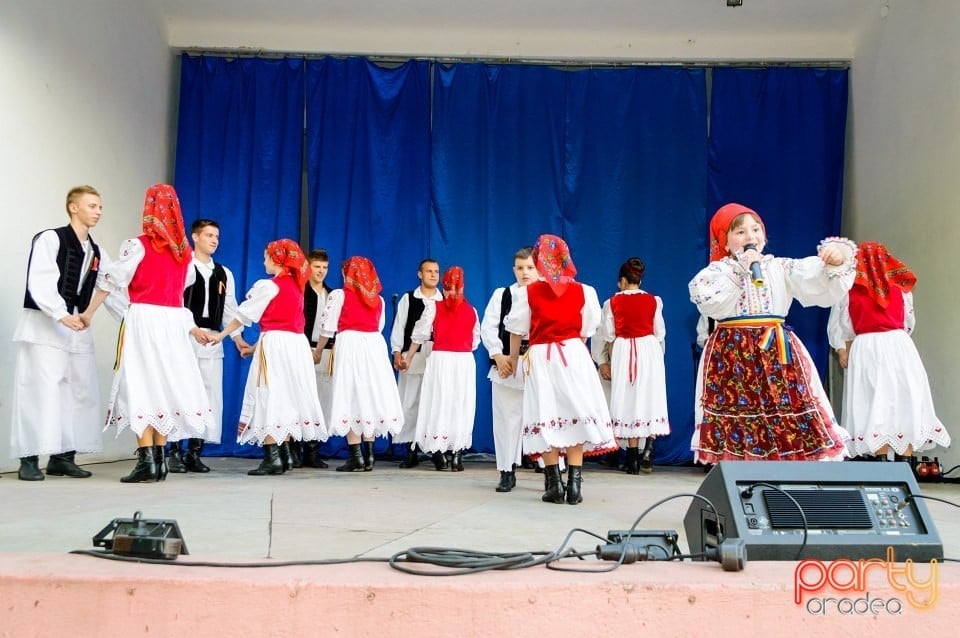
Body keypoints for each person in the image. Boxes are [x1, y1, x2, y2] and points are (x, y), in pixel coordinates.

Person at [688, 202, 856, 464]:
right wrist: (743, 267)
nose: (750, 237)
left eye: (756, 229)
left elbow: (818, 283)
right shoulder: (718, 271)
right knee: (739, 410)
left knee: (784, 407)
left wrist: (836, 261)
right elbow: (709, 300)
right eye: (740, 232)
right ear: (724, 239)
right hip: (733, 352)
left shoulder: (780, 267)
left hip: (775, 350)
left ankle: (784, 474)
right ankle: (740, 476)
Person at [84, 184, 214, 483]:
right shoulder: (184, 253)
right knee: (164, 387)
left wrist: (89, 312)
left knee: (141, 385)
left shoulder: (138, 244)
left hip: (144, 318)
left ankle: (147, 461)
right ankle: (160, 459)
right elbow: (181, 296)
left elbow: (112, 280)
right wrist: (190, 328)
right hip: (172, 323)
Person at [505, 234, 617, 505]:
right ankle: (574, 485)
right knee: (574, 412)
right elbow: (588, 329)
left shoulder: (528, 292)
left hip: (543, 356)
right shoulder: (585, 291)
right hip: (573, 354)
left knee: (548, 413)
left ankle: (555, 484)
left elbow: (517, 329)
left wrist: (513, 359)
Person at [10, 185, 113, 481]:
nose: (98, 211)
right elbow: (39, 280)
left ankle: (63, 456)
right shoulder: (50, 238)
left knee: (77, 392)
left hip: (76, 329)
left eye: (100, 207)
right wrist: (60, 313)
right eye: (92, 205)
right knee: (38, 391)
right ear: (73, 207)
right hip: (44, 325)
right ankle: (29, 458)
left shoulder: (96, 251)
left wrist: (130, 320)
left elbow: (110, 286)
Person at [827, 241, 950, 459]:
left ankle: (882, 463)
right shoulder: (900, 288)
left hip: (866, 347)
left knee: (872, 403)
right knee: (903, 400)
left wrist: (842, 349)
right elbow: (908, 323)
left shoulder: (849, 288)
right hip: (899, 347)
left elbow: (841, 325)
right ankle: (905, 465)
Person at [213, 239, 327, 475]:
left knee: (268, 393)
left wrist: (222, 334)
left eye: (266, 257)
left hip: (276, 345)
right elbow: (284, 326)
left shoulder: (269, 286)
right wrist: (254, 347)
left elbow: (245, 315)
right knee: (288, 397)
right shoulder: (298, 285)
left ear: (276, 259)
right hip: (296, 345)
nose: (263, 261)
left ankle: (272, 457)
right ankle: (283, 455)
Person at [173, 219, 250, 474]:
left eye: (216, 236)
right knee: (181, 390)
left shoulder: (223, 273)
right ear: (195, 237)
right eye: (208, 235)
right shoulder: (184, 267)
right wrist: (190, 329)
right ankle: (174, 450)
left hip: (212, 338)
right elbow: (175, 302)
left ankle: (195, 451)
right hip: (186, 335)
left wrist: (237, 340)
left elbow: (230, 310)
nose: (214, 240)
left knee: (207, 395)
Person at [315, 256, 404, 472]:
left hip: (350, 345)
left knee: (351, 395)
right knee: (369, 397)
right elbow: (379, 326)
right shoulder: (379, 300)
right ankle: (370, 455)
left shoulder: (339, 295)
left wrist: (318, 351)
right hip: (374, 347)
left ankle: (356, 455)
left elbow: (327, 328)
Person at [404, 266, 480, 472]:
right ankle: (456, 455)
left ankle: (439, 453)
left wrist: (409, 356)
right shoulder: (471, 310)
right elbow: (474, 342)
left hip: (441, 359)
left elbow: (418, 335)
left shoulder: (433, 307)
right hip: (463, 361)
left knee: (438, 402)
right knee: (459, 404)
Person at [600, 257, 670, 474]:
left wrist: (610, 359)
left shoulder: (611, 302)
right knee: (648, 397)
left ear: (622, 280)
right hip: (649, 349)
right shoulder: (654, 300)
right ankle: (645, 451)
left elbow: (609, 334)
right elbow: (659, 332)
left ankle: (631, 459)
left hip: (624, 349)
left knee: (627, 398)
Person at [480, 247, 537, 491]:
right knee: (506, 418)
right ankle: (506, 470)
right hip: (508, 364)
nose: (525, 273)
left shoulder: (547, 293)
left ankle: (552, 470)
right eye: (521, 268)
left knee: (543, 418)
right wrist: (498, 356)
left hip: (540, 364)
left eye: (530, 267)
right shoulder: (503, 294)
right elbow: (488, 327)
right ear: (514, 269)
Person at [390, 258, 442, 468]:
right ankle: (411, 448)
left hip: (436, 355)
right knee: (410, 402)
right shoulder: (409, 299)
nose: (433, 275)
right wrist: (396, 353)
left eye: (436, 272)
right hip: (412, 354)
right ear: (420, 274)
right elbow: (399, 327)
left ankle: (435, 448)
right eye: (428, 271)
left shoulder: (444, 300)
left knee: (435, 402)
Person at [302, 248, 334, 469]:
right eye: (316, 266)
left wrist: (323, 350)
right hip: (303, 347)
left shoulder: (332, 295)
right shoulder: (300, 291)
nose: (321, 271)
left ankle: (312, 450)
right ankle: (293, 447)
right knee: (301, 397)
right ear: (308, 267)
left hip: (325, 351)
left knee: (321, 400)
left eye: (324, 267)